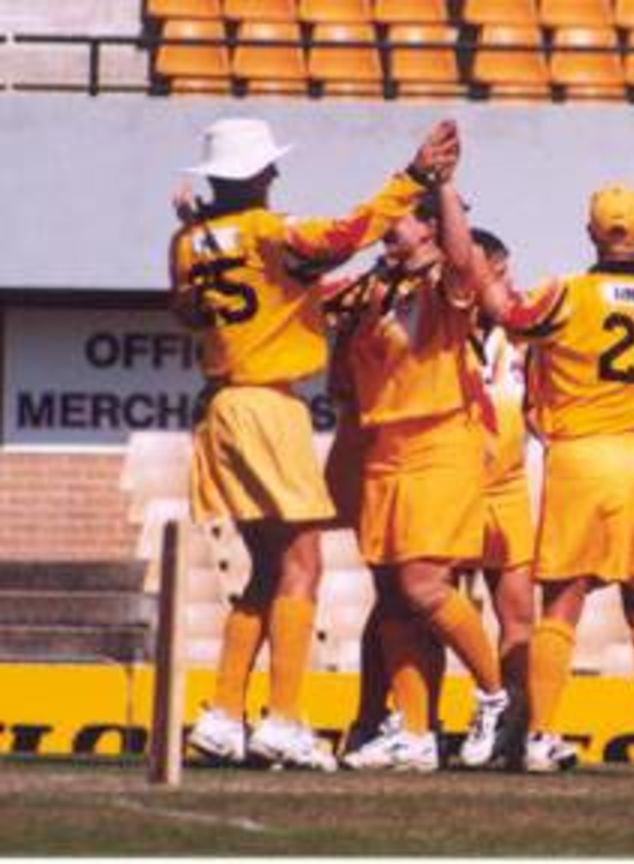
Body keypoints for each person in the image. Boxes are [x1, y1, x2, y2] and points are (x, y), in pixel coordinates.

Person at [171, 116, 458, 770]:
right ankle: (284, 719)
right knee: (303, 566)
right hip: (269, 406)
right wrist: (410, 178)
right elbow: (349, 234)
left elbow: (186, 313)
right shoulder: (273, 232)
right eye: (268, 168)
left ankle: (222, 713)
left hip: (220, 405)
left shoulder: (187, 243)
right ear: (255, 176)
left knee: (267, 570)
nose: (276, 175)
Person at [476, 185, 634, 775]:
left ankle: (541, 735)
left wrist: (472, 259)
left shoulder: (568, 291)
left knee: (560, 605)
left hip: (582, 458)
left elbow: (508, 314)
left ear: (591, 232)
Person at [334, 158, 510, 773]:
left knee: (422, 585)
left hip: (440, 445)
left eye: (400, 222)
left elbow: (466, 264)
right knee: (393, 595)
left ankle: (495, 695)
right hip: (384, 451)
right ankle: (414, 730)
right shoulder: (376, 287)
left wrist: (444, 187)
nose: (389, 229)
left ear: (431, 229)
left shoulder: (445, 283)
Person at [465, 227, 537, 766]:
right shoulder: (442, 327)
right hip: (451, 482)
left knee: (517, 615)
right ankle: (417, 724)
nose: (510, 282)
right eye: (500, 271)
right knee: (433, 604)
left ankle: (515, 729)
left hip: (509, 484)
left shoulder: (523, 333)